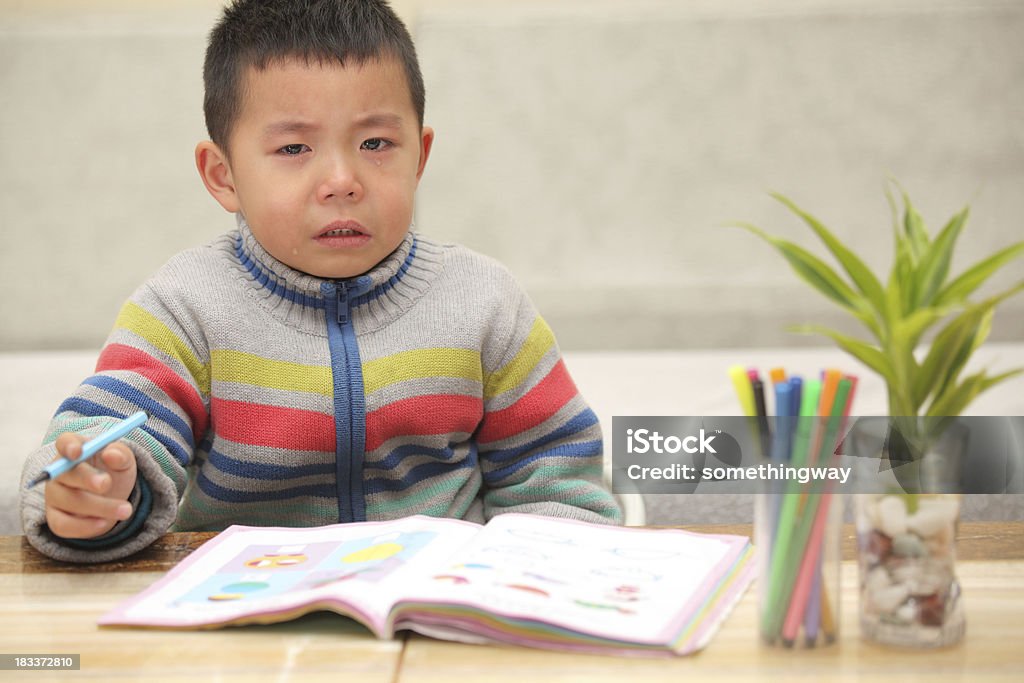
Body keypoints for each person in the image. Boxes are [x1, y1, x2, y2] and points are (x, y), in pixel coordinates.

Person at [19, 0, 621, 562]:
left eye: (376, 143)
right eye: (294, 148)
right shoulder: (183, 307)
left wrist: (535, 580)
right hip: (241, 626)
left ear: (420, 155)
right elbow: (113, 436)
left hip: (439, 619)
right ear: (223, 174)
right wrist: (97, 493)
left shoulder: (485, 302)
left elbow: (555, 472)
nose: (341, 179)